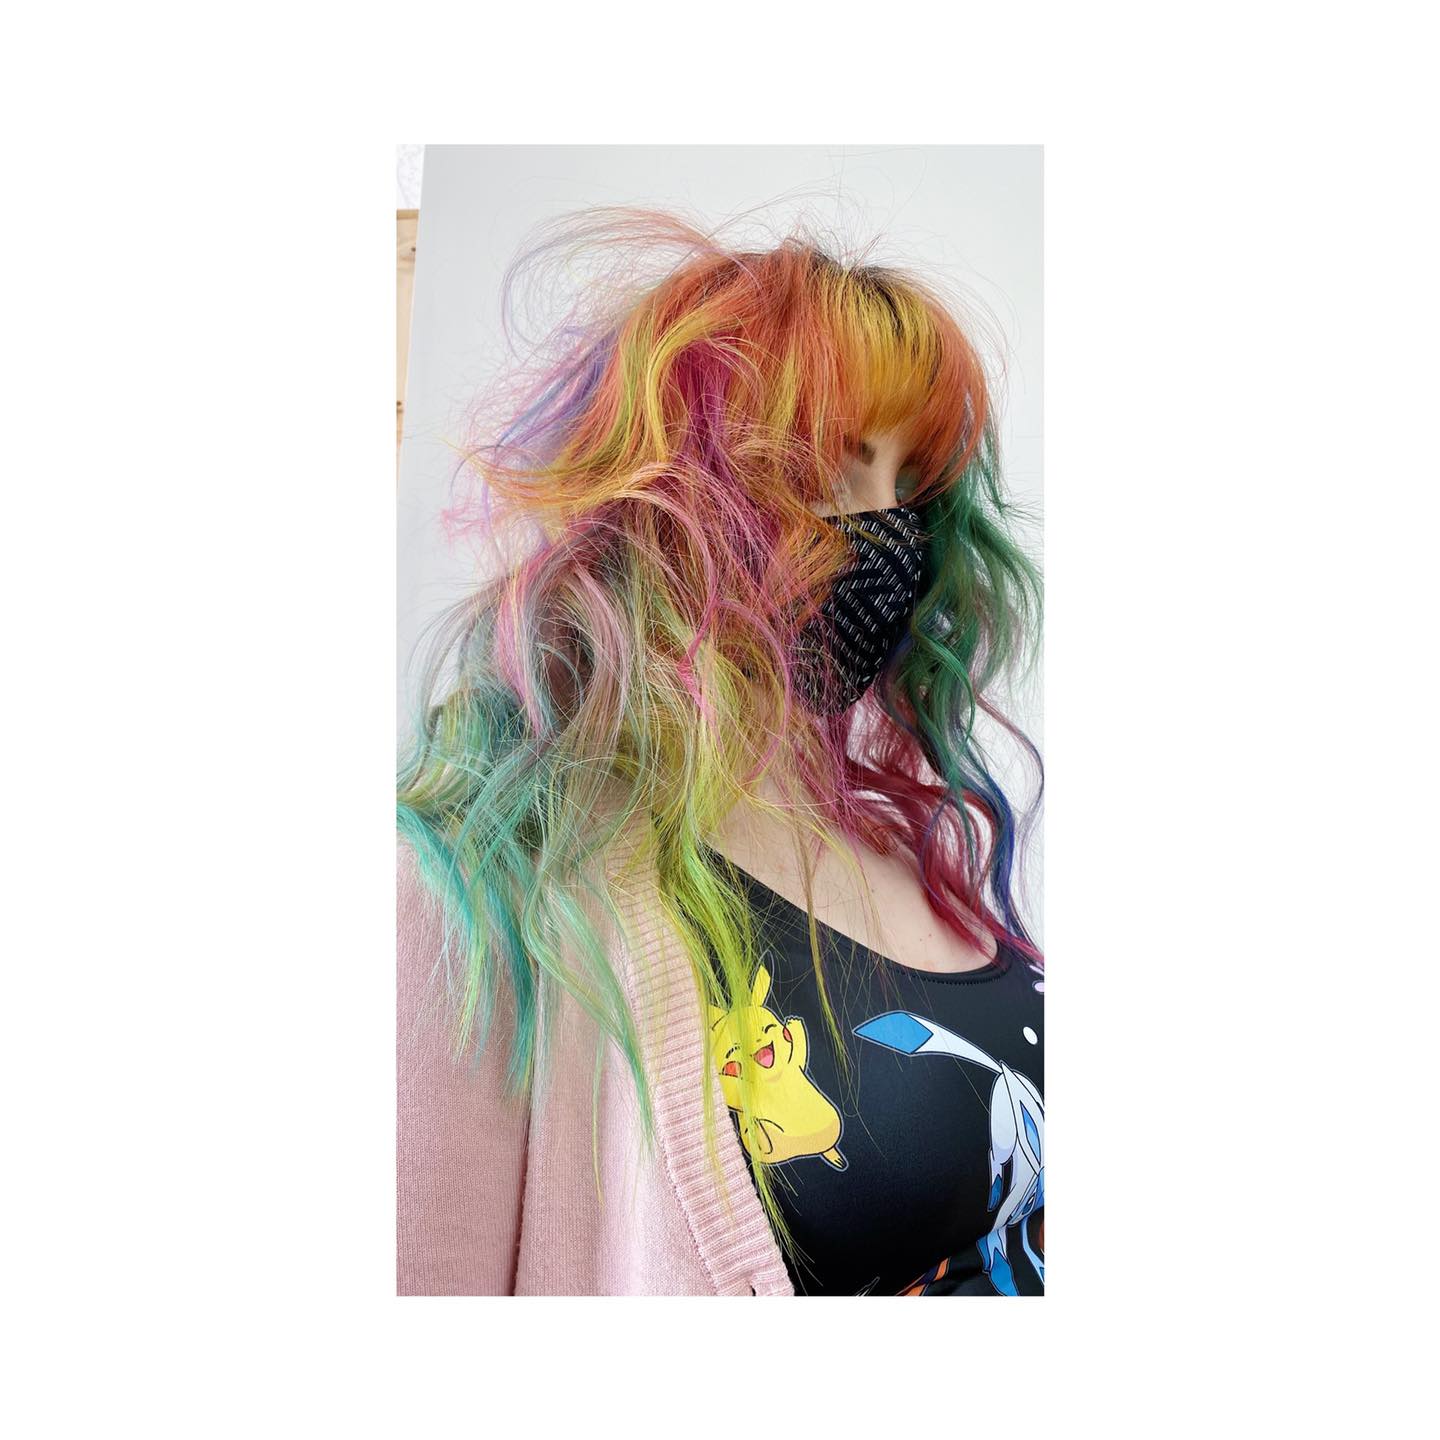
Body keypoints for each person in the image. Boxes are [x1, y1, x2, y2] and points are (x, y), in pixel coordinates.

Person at [397, 209, 1044, 1295]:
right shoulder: (480, 881)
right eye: (830, 467)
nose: (889, 529)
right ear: (669, 491)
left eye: (912, 484)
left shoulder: (911, 851)